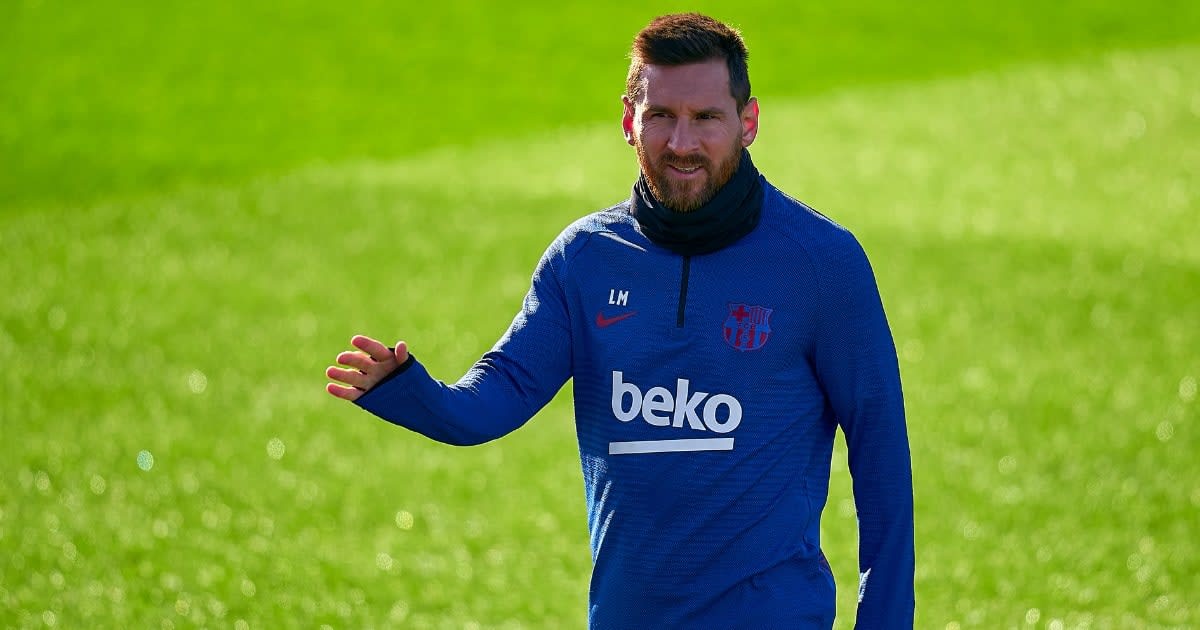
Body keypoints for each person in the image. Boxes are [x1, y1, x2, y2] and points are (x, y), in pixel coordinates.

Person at [326, 12, 914, 629]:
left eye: (706, 118)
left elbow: (882, 467)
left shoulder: (821, 264)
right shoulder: (584, 260)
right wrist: (409, 391)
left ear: (749, 123)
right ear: (629, 122)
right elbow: (496, 399)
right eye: (661, 115)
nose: (681, 143)